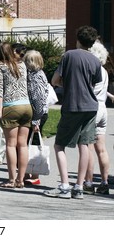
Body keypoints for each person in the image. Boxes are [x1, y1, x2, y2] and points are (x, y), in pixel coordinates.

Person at [44, 25, 102, 199]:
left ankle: (64, 186)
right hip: (91, 106)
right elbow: (94, 83)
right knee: (84, 145)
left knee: (59, 145)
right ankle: (78, 186)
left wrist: (66, 85)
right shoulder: (95, 60)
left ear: (78, 39)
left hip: (73, 105)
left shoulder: (69, 55)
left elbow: (55, 80)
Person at [0, 42, 33, 188]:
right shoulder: (22, 65)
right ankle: (21, 180)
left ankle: (11, 179)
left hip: (11, 105)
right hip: (26, 105)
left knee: (11, 144)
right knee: (22, 145)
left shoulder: (0, 67)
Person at [83, 39, 111, 195]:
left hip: (92, 109)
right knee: (102, 148)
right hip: (103, 109)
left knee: (88, 147)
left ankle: (88, 181)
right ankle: (104, 182)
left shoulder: (92, 70)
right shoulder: (104, 71)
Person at [23, 50, 49, 185]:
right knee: (31, 142)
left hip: (37, 114)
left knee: (32, 143)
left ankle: (33, 173)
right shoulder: (35, 74)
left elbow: (38, 99)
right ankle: (29, 172)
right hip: (37, 113)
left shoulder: (36, 76)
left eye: (26, 61)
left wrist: (36, 121)